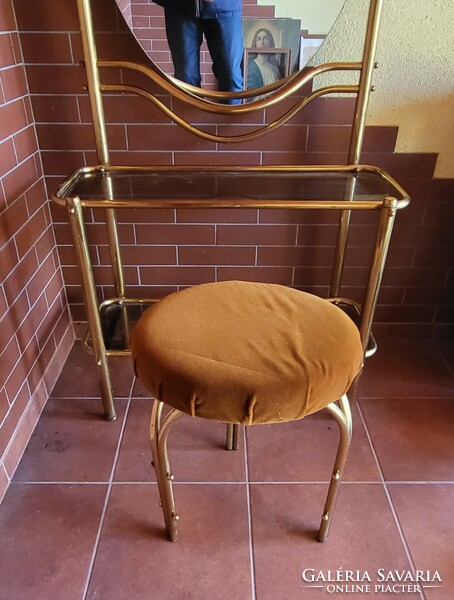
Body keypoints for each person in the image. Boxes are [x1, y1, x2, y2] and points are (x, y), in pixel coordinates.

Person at [153, 0, 243, 104]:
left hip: (226, 6)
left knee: (231, 77)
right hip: (180, 7)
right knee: (186, 78)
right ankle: (189, 119)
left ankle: (231, 120)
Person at [246, 28, 281, 93]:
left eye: (265, 38)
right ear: (255, 43)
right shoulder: (250, 67)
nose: (262, 42)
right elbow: (251, 93)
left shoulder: (274, 69)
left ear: (270, 43)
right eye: (259, 39)